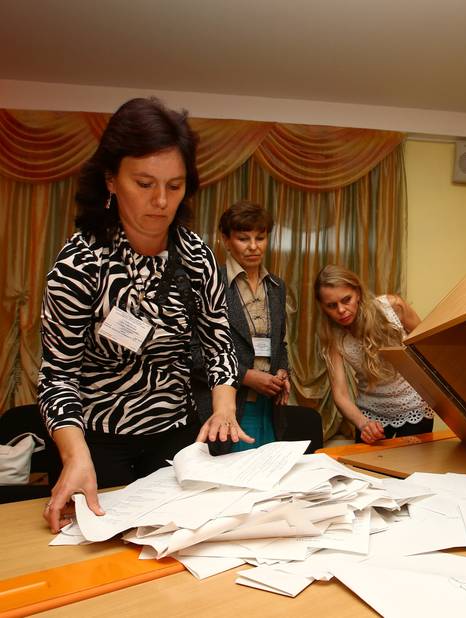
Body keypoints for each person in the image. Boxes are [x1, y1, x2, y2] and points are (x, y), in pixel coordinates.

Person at [38, 98, 247, 533]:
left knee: (182, 545)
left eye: (174, 186)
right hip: (98, 441)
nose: (160, 201)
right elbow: (58, 375)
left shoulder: (196, 257)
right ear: (111, 180)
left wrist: (224, 405)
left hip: (177, 433)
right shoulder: (80, 265)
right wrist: (74, 456)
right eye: (145, 183)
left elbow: (218, 339)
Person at [218, 200, 322, 453]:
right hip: (231, 402)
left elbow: (280, 343)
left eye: (260, 237)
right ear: (226, 240)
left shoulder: (276, 286)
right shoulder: (213, 284)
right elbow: (198, 353)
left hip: (270, 405)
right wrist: (247, 376)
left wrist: (283, 371)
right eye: (244, 238)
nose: (254, 246)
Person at [314, 265, 434, 443]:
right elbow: (340, 394)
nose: (340, 310)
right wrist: (364, 424)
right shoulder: (333, 337)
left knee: (410, 469)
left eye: (346, 300)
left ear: (358, 293)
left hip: (414, 408)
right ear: (323, 308)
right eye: (332, 306)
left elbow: (429, 346)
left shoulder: (393, 308)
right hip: (370, 416)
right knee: (365, 469)